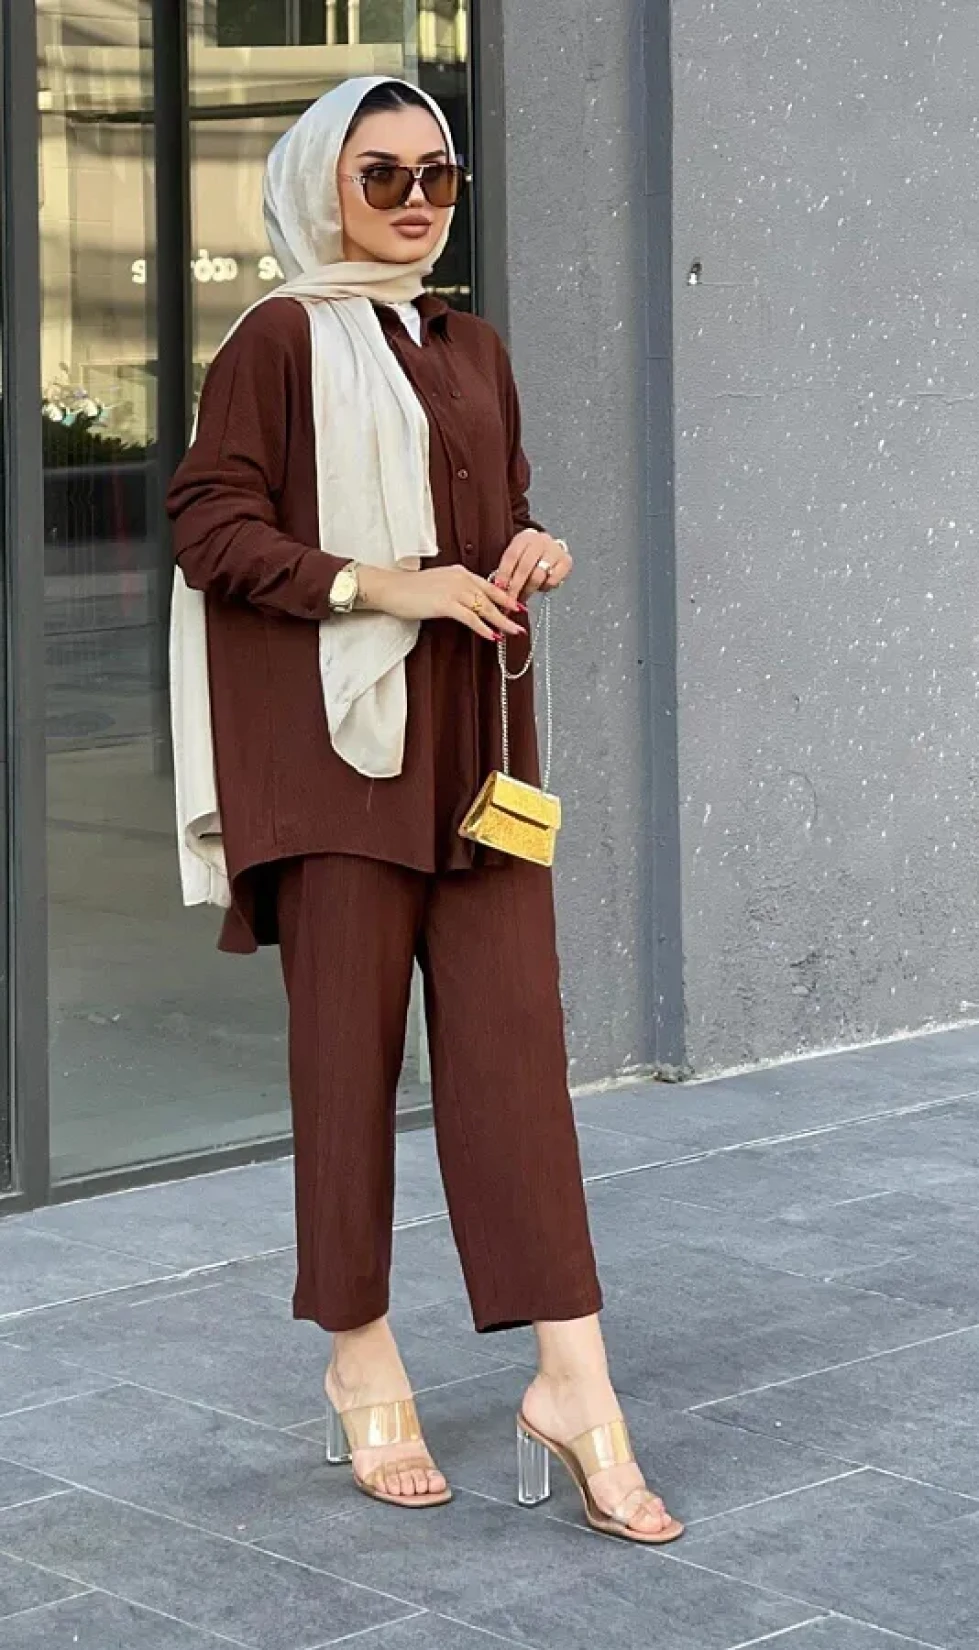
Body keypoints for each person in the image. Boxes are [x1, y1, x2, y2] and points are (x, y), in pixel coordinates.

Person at [167, 75, 681, 1544]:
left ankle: (574, 1380)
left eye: (437, 176)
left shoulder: (470, 344)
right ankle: (359, 1352)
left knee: (518, 1062)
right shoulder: (275, 341)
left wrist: (531, 546)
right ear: (320, 184)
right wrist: (385, 585)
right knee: (345, 1068)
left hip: (476, 756)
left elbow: (495, 507)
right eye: (380, 173)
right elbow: (210, 522)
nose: (412, 200)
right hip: (339, 760)